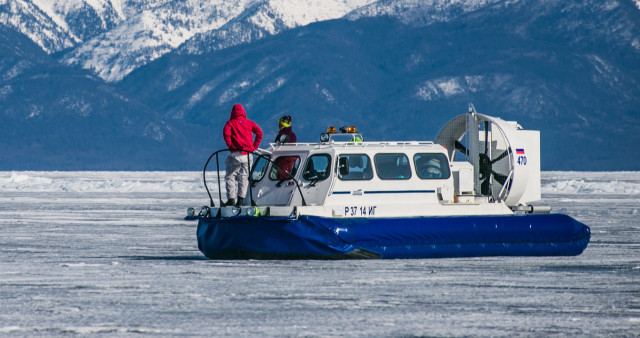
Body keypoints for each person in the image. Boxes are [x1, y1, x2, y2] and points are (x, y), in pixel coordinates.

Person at [222, 104, 263, 207]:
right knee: (244, 177)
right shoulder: (249, 123)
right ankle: (241, 199)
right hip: (248, 155)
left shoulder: (230, 123)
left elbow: (226, 135)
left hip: (235, 154)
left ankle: (231, 199)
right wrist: (254, 146)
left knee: (230, 176)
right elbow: (260, 133)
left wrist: (231, 146)